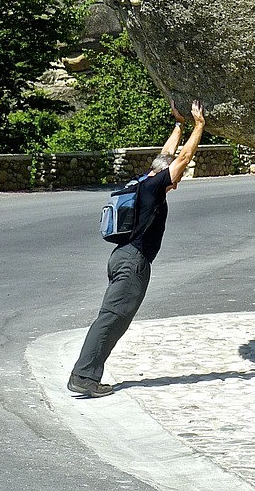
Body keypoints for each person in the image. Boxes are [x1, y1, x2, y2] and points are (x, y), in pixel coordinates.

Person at [67, 98, 207, 397]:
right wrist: (199, 126)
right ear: (166, 176)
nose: (178, 182)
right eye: (175, 179)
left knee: (113, 316)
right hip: (133, 263)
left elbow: (166, 155)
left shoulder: (142, 181)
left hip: (120, 257)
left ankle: (85, 373)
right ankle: (84, 376)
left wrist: (179, 125)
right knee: (112, 318)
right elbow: (180, 159)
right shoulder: (156, 188)